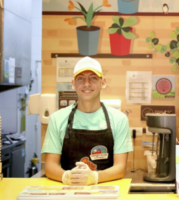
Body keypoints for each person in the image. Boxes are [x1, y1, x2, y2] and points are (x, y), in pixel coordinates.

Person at [41, 56, 133, 185]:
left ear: (103, 82)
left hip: (106, 193)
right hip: (68, 193)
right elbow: (50, 167)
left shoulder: (119, 119)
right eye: (81, 78)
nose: (87, 84)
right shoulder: (57, 119)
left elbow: (120, 168)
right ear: (73, 84)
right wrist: (68, 176)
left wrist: (94, 177)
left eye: (93, 78)